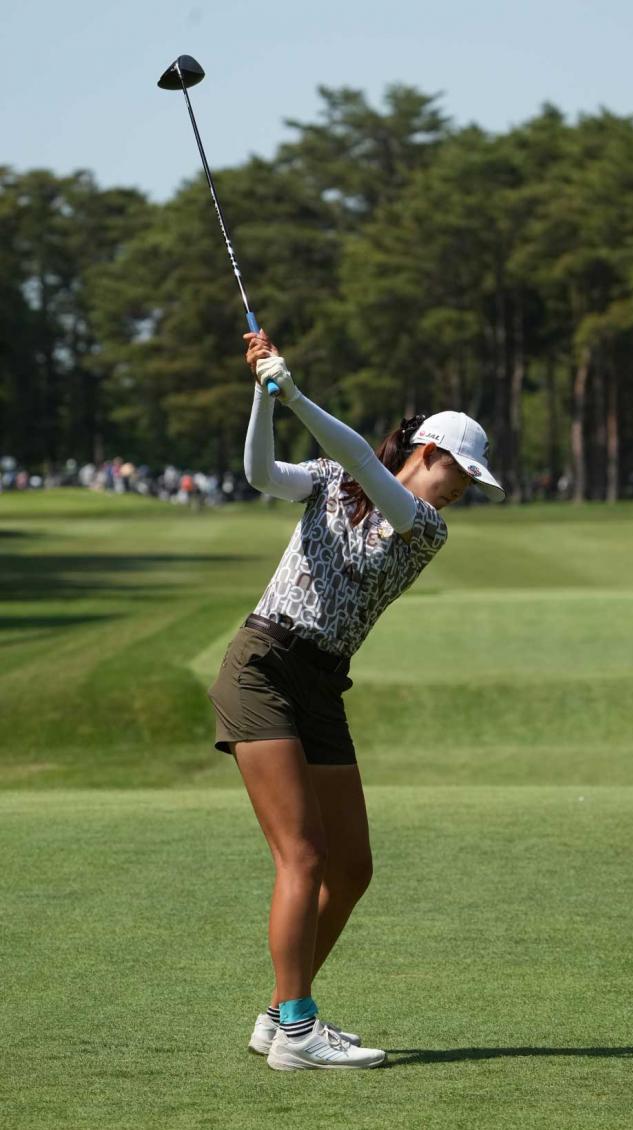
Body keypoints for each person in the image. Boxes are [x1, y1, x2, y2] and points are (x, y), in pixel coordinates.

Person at [208, 329, 504, 1071]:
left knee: (352, 868)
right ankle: (297, 1033)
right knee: (303, 855)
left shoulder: (424, 527)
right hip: (263, 667)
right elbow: (259, 474)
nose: (461, 488)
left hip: (321, 685)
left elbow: (366, 464)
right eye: (458, 471)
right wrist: (264, 397)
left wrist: (295, 392)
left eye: (470, 481)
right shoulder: (327, 479)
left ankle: (280, 1017)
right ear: (428, 451)